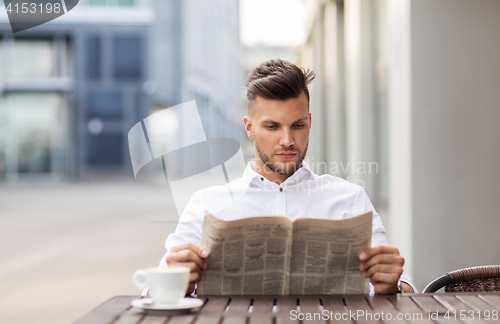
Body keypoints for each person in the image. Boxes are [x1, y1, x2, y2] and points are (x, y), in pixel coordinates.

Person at [160, 59, 416, 295]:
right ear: (249, 127)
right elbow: (155, 293)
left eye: (298, 125)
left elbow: (405, 290)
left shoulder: (350, 199)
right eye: (272, 127)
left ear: (310, 122)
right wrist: (175, 280)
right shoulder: (207, 205)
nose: (287, 141)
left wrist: (392, 285)